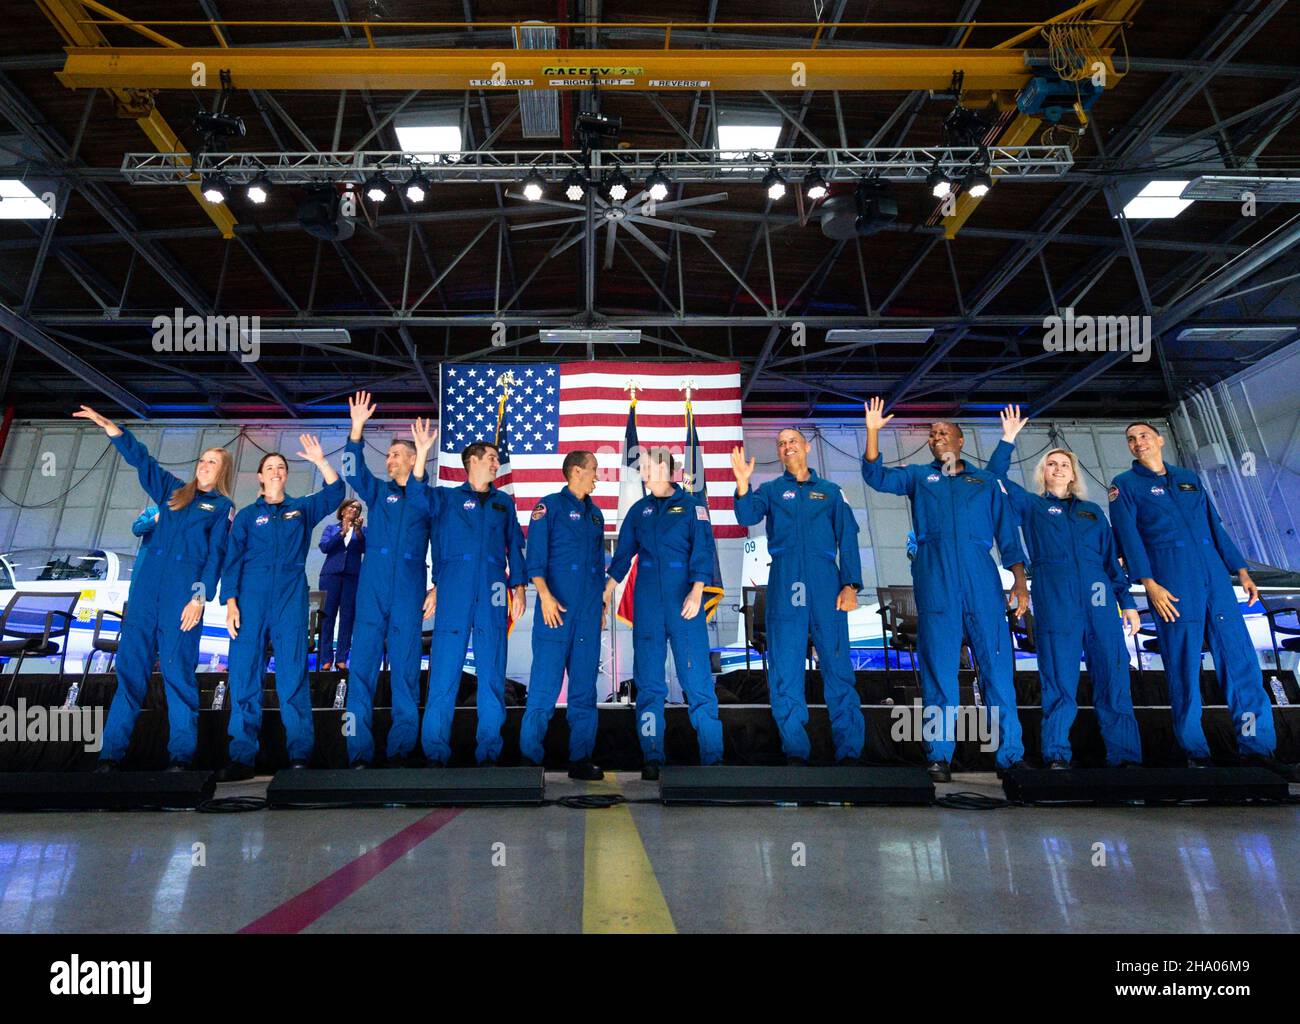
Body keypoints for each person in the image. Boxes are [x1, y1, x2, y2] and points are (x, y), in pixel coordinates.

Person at [861, 398, 1030, 782]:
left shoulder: (985, 481)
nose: (937, 437)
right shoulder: (919, 476)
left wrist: (1020, 583)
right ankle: (939, 755)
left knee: (997, 670)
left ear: (960, 439)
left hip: (981, 580)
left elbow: (1007, 536)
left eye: (943, 432)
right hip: (935, 579)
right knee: (939, 670)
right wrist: (872, 431)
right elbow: (876, 477)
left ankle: (1011, 755)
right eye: (932, 434)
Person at [1108, 420, 1286, 774]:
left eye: (1143, 435)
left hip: (1215, 580)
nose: (1137, 442)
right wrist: (1149, 584)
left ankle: (1256, 747)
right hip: (1171, 584)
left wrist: (1242, 570)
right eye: (1131, 439)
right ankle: (1195, 751)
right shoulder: (1124, 486)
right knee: (1183, 668)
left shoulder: (1188, 479)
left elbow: (1215, 525)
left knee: (1240, 664)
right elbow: (1127, 536)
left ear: (1159, 440)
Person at [73, 405, 234, 771]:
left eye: (212, 462)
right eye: (203, 460)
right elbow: (141, 461)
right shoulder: (173, 492)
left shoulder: (221, 507)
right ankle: (110, 755)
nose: (204, 465)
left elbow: (215, 558)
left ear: (222, 470)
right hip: (145, 598)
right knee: (130, 674)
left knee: (178, 677)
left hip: (181, 603)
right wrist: (110, 428)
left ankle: (180, 757)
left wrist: (198, 598)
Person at [986, 406, 1143, 769]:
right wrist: (1008, 438)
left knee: (1114, 679)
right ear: (1043, 472)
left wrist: (1128, 602)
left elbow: (1110, 561)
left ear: (1073, 474)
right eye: (1051, 464)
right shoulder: (1031, 506)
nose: (1058, 468)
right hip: (1056, 599)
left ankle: (1125, 758)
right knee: (1058, 680)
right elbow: (993, 476)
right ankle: (1057, 754)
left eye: (1064, 464)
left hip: (1100, 600)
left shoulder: (1093, 513)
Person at [731, 428, 865, 766]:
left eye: (792, 441)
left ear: (806, 446)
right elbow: (747, 516)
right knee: (786, 668)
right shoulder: (771, 491)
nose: (787, 446)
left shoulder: (832, 492)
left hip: (825, 582)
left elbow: (848, 538)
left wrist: (851, 584)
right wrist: (743, 484)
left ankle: (849, 752)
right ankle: (796, 751)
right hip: (786, 581)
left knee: (836, 666)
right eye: (780, 443)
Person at [218, 439, 344, 781]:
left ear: (286, 476)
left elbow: (335, 493)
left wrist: (320, 460)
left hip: (290, 596)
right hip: (249, 599)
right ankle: (242, 757)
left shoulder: (300, 510)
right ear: (260, 477)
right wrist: (230, 601)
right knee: (244, 675)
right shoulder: (246, 517)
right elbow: (231, 561)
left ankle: (300, 754)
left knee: (292, 674)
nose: (276, 471)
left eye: (281, 468)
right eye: (270, 467)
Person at [410, 423, 526, 766]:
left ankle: (489, 752)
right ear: (472, 461)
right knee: (445, 670)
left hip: (492, 586)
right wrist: (422, 454)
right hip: (455, 586)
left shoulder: (503, 503)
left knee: (492, 671)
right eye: (491, 458)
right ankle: (435, 752)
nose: (495, 464)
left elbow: (515, 547)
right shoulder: (446, 498)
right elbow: (417, 496)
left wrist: (517, 587)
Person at [605, 447, 725, 779]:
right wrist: (607, 590)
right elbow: (622, 555)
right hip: (647, 604)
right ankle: (652, 756)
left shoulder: (692, 506)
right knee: (649, 683)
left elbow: (703, 550)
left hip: (684, 601)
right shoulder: (639, 510)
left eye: (645, 465)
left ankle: (713, 758)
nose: (641, 471)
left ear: (662, 468)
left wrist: (697, 590)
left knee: (697, 680)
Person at [341, 392, 437, 769]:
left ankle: (401, 750)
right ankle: (357, 753)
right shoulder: (378, 492)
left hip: (409, 591)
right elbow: (352, 470)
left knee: (407, 672)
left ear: (413, 459)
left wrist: (438, 587)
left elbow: (440, 537)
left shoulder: (428, 497)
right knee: (360, 670)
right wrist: (357, 428)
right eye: (389, 455)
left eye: (396, 453)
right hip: (372, 590)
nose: (390, 459)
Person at [518, 450, 608, 779]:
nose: (597, 475)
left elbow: (599, 567)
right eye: (593, 470)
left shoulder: (596, 515)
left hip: (586, 613)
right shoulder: (549, 507)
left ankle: (580, 759)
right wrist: (543, 596)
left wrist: (599, 605)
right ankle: (530, 760)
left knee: (584, 689)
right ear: (575, 472)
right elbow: (535, 560)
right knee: (544, 686)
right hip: (554, 610)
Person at [318, 498, 365, 670]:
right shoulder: (331, 528)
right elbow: (325, 547)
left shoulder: (362, 531)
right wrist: (341, 534)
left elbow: (366, 548)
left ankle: (341, 658)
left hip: (352, 577)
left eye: (358, 508)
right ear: (343, 510)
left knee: (347, 617)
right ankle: (325, 658)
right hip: (330, 576)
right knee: (327, 617)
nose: (354, 510)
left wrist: (358, 533)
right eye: (351, 506)